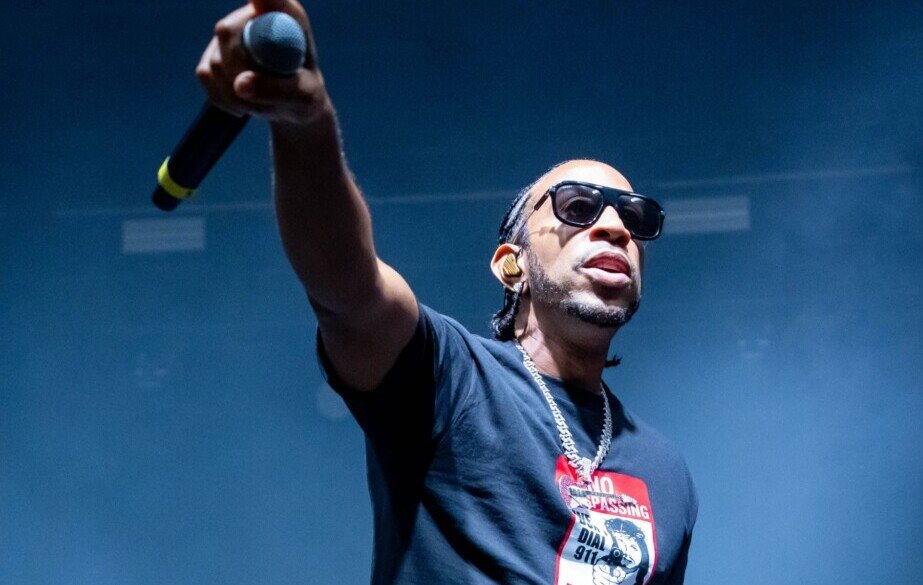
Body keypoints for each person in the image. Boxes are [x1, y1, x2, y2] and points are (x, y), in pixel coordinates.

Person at [196, 1, 698, 583]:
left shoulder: (666, 472)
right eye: (577, 208)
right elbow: (344, 282)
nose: (614, 227)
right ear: (512, 266)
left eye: (634, 218)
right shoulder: (452, 378)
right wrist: (306, 123)